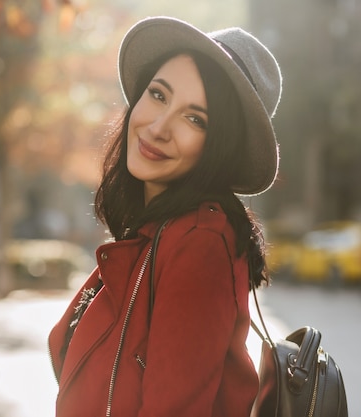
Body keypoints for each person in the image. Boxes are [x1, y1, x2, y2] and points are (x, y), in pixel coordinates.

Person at [48, 16, 282, 416]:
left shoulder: (199, 241)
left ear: (218, 147)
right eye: (158, 95)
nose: (158, 127)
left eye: (194, 119)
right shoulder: (152, 234)